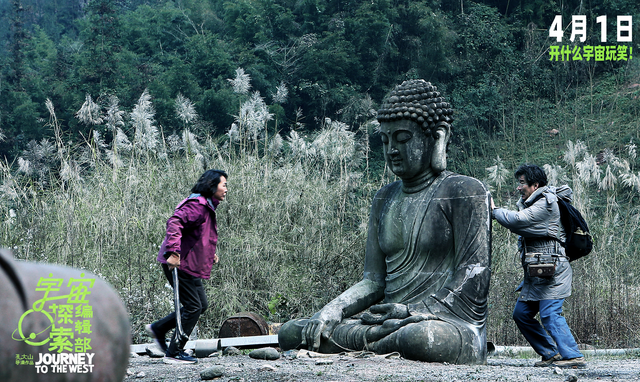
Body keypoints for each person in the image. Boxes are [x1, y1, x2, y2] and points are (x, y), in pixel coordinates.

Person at [278, 80, 492, 364]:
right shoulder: (384, 197)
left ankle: (375, 342)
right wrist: (333, 310)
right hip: (386, 322)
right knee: (293, 332)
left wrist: (410, 311)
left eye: (402, 139)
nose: (392, 149)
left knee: (419, 338)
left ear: (438, 137)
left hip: (443, 322)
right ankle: (373, 341)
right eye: (385, 140)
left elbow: (473, 278)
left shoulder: (464, 191)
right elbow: (374, 281)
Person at [491, 164, 586, 368]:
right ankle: (551, 353)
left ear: (535, 185)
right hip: (538, 272)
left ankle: (573, 355)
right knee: (521, 314)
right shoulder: (533, 202)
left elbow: (517, 220)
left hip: (554, 271)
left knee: (550, 313)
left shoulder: (546, 202)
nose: (518, 187)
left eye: (522, 183)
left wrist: (494, 211)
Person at [146, 169, 228, 364]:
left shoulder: (206, 205)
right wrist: (174, 253)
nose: (226, 189)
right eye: (223, 185)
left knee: (201, 305)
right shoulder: (197, 205)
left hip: (190, 263)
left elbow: (198, 235)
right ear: (212, 186)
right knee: (193, 307)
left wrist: (210, 254)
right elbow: (175, 222)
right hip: (179, 263)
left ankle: (159, 328)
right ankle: (174, 352)